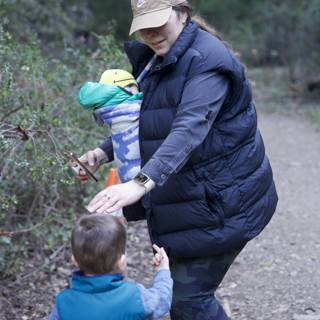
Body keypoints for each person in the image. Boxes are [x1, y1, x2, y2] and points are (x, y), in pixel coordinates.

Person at [78, 0, 278, 318]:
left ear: (182, 13)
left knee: (187, 301)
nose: (151, 32)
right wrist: (102, 152)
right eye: (143, 25)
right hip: (189, 204)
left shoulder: (208, 61)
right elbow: (142, 117)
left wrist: (139, 184)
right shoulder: (157, 60)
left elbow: (188, 129)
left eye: (159, 21)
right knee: (181, 295)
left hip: (224, 204)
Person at [48, 214, 173, 320]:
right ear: (121, 262)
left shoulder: (63, 302)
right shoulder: (135, 295)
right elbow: (161, 300)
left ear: (74, 260)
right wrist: (163, 271)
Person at [77, 69, 143, 183]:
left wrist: (136, 186)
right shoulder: (143, 113)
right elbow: (126, 135)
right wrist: (99, 154)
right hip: (145, 191)